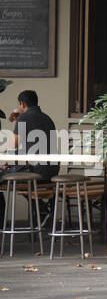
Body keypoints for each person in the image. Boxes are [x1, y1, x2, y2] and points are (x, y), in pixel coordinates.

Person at [0, 91, 59, 229]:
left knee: (9, 178)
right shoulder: (47, 118)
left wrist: (5, 164)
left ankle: (2, 225)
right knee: (19, 182)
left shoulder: (24, 118)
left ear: (22, 103)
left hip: (36, 172)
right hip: (52, 171)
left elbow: (12, 148)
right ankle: (42, 210)